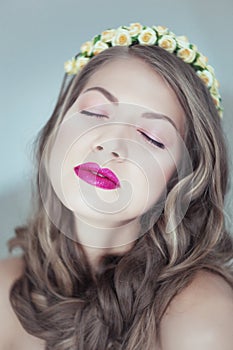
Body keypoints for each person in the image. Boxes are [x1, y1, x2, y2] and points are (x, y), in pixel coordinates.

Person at [0, 22, 233, 350]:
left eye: (150, 137)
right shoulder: (4, 287)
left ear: (182, 179)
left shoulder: (203, 315)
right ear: (57, 126)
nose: (111, 144)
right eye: (94, 113)